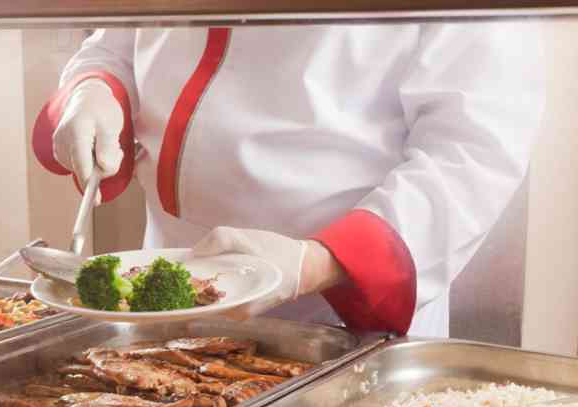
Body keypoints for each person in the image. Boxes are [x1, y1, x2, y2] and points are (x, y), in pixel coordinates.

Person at [32, 25, 545, 336]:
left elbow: (471, 154)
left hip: (335, 310)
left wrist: (317, 263)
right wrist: (95, 89)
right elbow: (117, 42)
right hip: (168, 284)